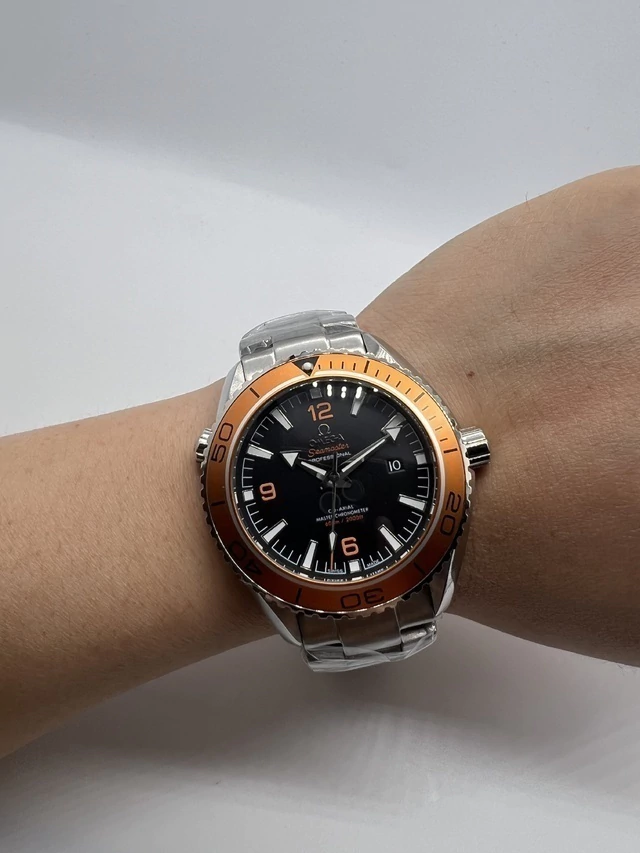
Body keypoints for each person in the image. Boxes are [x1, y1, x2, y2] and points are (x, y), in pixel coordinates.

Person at [1, 167, 638, 758]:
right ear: (211, 456)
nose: (334, 476)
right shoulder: (252, 478)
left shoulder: (425, 450)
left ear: (463, 450)